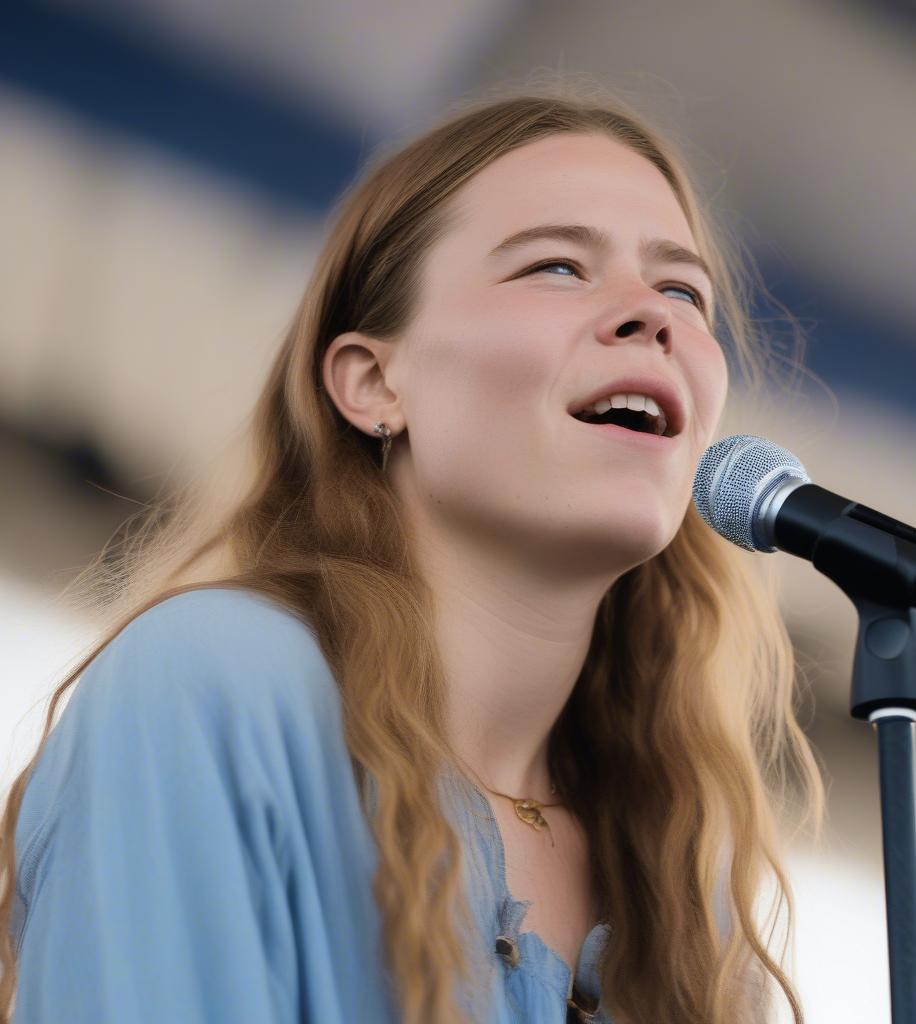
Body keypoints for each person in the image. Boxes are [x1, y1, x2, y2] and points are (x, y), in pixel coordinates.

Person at [0, 82, 824, 1024]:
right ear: (372, 382)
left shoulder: (684, 871)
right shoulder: (218, 684)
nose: (654, 315)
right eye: (557, 267)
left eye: (684, 289)